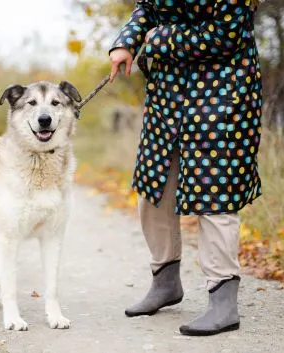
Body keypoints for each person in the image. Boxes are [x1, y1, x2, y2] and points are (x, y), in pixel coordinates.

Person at [108, 0, 262, 336]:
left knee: (215, 194)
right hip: (168, 93)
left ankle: (224, 300)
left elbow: (225, 33)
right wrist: (125, 43)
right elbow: (145, 8)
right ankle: (165, 282)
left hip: (225, 91)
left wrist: (158, 38)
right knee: (154, 187)